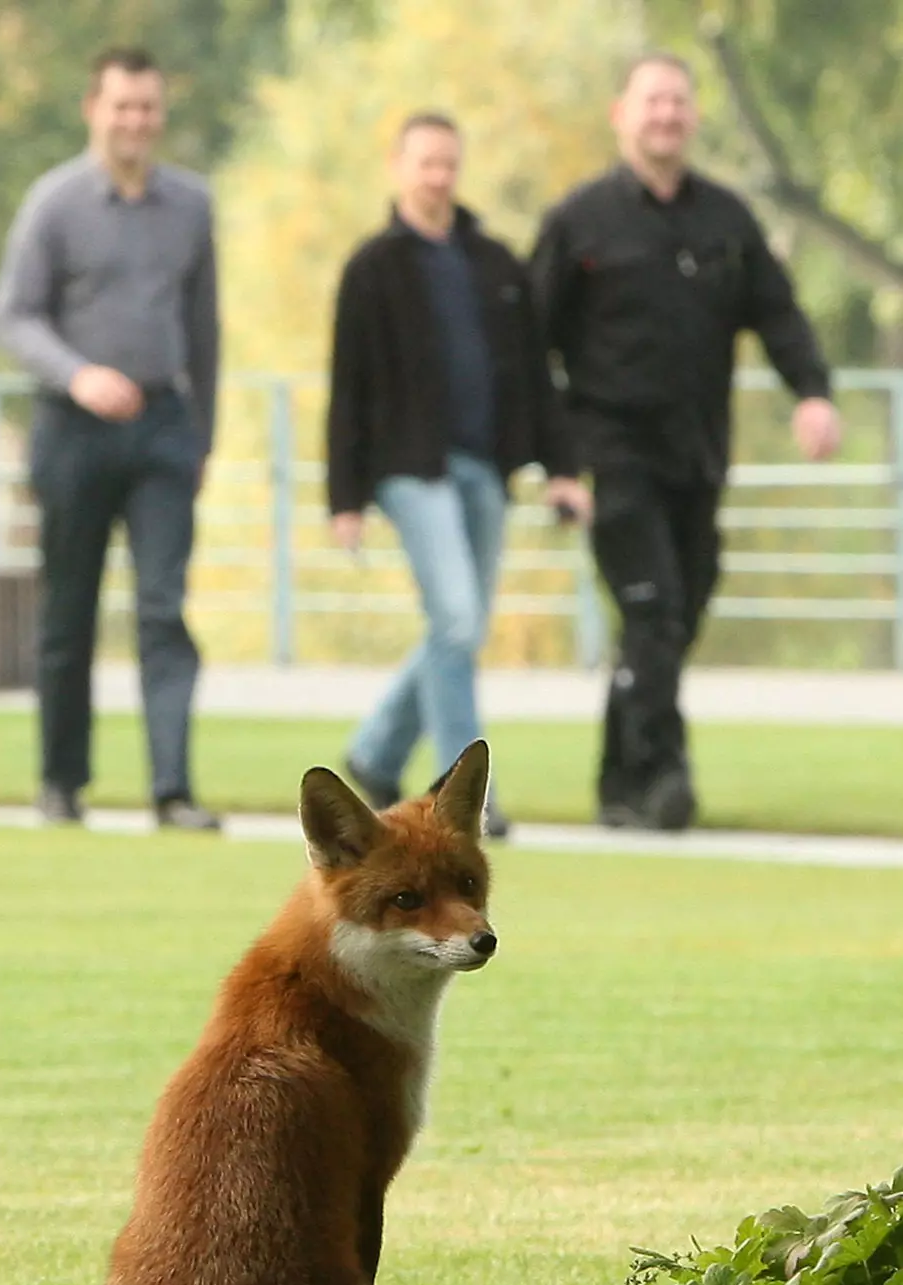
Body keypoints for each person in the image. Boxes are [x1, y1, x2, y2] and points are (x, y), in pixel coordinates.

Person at [530, 52, 841, 831]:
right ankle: (664, 776)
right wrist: (556, 462)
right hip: (612, 452)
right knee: (654, 608)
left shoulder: (726, 221)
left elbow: (777, 313)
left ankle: (615, 782)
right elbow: (529, 347)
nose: (665, 115)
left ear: (693, 116)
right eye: (651, 101)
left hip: (698, 455)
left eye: (677, 102)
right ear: (621, 115)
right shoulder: (578, 221)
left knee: (672, 615)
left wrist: (810, 393)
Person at [326, 112, 590, 837]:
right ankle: (461, 801)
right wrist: (343, 496)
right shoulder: (372, 267)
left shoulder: (497, 264)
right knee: (455, 618)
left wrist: (562, 469)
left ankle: (376, 749)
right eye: (424, 163)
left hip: (484, 467)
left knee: (458, 627)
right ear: (397, 166)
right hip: (408, 468)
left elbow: (538, 377)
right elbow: (346, 384)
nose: (437, 176)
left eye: (448, 163)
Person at [0, 47, 221, 830]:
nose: (136, 121)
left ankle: (172, 789)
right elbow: (14, 315)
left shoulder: (192, 205)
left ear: (161, 114)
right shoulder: (53, 203)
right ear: (95, 108)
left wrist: (203, 439)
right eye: (122, 106)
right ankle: (61, 782)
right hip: (72, 427)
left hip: (163, 428)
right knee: (69, 613)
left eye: (148, 107)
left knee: (163, 609)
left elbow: (204, 329)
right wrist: (77, 373)